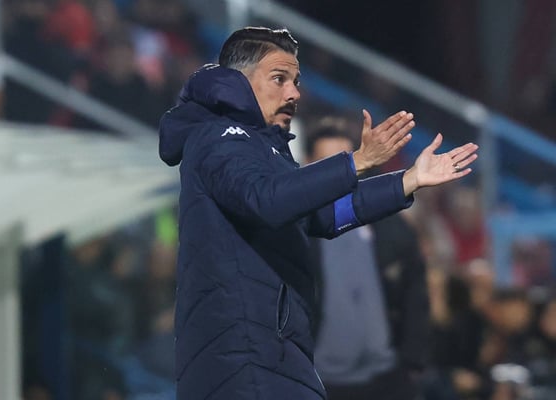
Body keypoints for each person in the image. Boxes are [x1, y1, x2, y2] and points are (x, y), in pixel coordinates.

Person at [158, 26, 478, 400]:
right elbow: (266, 201)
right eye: (279, 78)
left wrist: (407, 181)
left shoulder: (265, 149)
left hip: (276, 354)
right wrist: (356, 161)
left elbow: (321, 215)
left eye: (296, 81)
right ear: (239, 81)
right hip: (242, 359)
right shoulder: (219, 137)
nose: (294, 93)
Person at [304, 117, 430, 400]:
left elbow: (415, 295)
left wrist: (412, 361)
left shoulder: (392, 226)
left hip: (387, 380)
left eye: (344, 164)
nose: (337, 175)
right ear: (308, 163)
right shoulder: (294, 229)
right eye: (326, 164)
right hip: (320, 382)